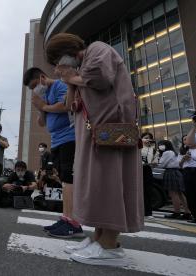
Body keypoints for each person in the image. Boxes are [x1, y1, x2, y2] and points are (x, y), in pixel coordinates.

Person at [46, 33, 143, 265]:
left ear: (67, 54)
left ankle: (110, 246)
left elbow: (101, 77)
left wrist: (73, 77)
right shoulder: (80, 70)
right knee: (99, 185)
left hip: (112, 131)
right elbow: (70, 105)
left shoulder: (97, 49)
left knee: (110, 183)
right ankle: (99, 239)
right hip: (97, 136)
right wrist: (70, 80)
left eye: (57, 62)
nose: (57, 69)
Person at [23, 67, 82, 238]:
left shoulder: (59, 85)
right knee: (64, 180)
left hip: (69, 138)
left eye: (34, 85)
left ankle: (72, 222)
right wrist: (41, 108)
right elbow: (41, 122)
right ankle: (66, 218)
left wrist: (44, 105)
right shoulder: (46, 95)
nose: (35, 90)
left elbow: (65, 105)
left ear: (42, 78)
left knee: (68, 179)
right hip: (57, 141)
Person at [157, 140, 191, 219]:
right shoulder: (173, 152)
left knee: (173, 193)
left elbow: (161, 165)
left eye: (161, 145)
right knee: (180, 193)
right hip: (176, 172)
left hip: (170, 172)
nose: (160, 146)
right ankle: (187, 212)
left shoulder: (167, 152)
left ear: (166, 145)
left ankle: (177, 212)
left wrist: (158, 159)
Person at [178, 135, 196, 222]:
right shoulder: (183, 151)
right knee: (190, 194)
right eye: (185, 139)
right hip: (187, 172)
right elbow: (179, 165)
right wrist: (184, 159)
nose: (187, 141)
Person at [140, 132, 158, 217]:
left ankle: (148, 212)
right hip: (138, 170)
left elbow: (155, 161)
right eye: (145, 137)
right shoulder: (138, 147)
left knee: (148, 191)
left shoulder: (153, 149)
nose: (147, 139)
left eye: (149, 138)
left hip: (147, 170)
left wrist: (154, 163)